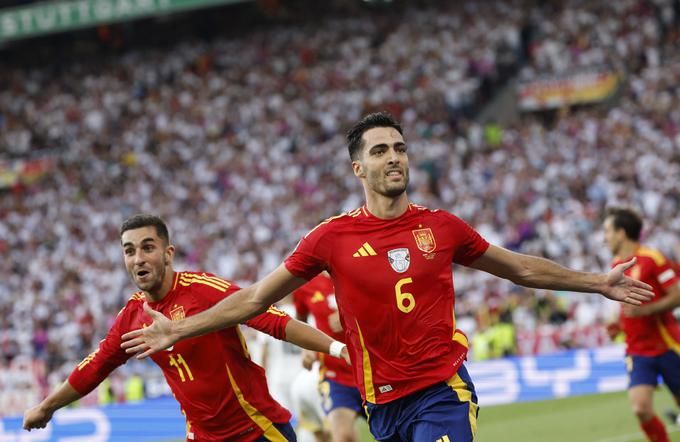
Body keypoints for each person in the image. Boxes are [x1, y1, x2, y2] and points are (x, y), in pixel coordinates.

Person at [122, 113, 653, 442]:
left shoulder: (441, 228)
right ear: (359, 169)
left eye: (399, 148)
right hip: (382, 405)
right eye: (380, 151)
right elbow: (257, 299)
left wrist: (596, 282)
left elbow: (518, 267)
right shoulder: (330, 239)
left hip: (440, 389)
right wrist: (177, 329)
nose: (394, 157)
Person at [23, 214, 349, 442]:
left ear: (168, 254)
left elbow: (271, 319)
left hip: (256, 429)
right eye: (129, 251)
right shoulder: (132, 316)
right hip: (202, 436)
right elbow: (94, 367)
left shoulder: (203, 289)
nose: (138, 259)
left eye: (147, 247)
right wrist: (46, 407)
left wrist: (338, 349)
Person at [603, 207, 680, 442]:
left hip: (667, 344)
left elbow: (677, 295)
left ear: (621, 233)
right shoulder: (616, 264)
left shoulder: (652, 258)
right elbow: (627, 305)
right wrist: (617, 323)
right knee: (640, 408)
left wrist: (644, 310)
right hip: (637, 350)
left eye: (607, 231)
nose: (604, 237)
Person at [293, 273, 363, 442]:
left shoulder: (356, 270)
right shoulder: (306, 284)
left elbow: (384, 305)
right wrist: (306, 347)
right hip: (335, 375)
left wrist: (352, 317)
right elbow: (301, 319)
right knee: (342, 436)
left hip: (372, 371)